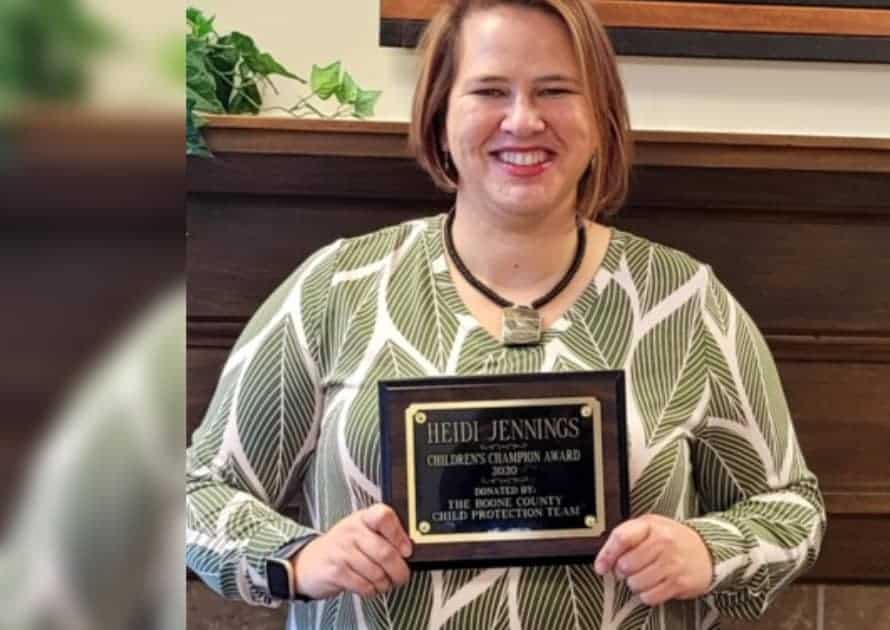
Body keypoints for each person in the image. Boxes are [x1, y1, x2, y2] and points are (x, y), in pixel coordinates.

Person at [185, 0, 825, 627]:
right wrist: (299, 556)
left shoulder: (685, 302)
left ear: (601, 118)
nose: (523, 120)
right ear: (438, 116)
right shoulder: (337, 289)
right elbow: (193, 494)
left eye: (555, 91)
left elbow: (793, 509)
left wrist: (712, 551)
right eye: (490, 91)